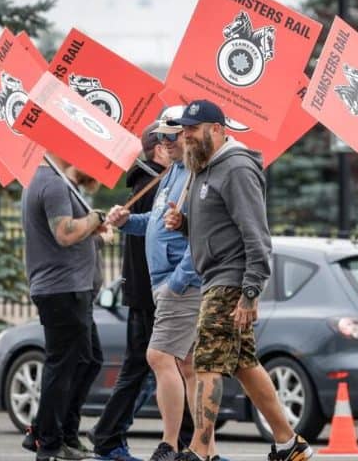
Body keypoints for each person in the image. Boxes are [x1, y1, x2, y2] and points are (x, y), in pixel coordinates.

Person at [163, 99, 312, 461]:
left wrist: (250, 291)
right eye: (182, 131)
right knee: (244, 364)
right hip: (217, 276)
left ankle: (198, 449)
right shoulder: (204, 168)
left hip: (230, 281)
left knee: (208, 362)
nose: (185, 137)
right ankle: (289, 443)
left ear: (216, 129)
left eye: (192, 130)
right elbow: (217, 230)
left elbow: (256, 234)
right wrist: (184, 226)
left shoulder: (237, 169)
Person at [106, 117, 222, 461]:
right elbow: (157, 223)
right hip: (166, 282)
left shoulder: (194, 174)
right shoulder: (172, 173)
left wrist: (178, 279)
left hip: (179, 283)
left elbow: (202, 234)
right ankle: (205, 450)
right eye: (162, 136)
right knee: (188, 365)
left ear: (186, 136)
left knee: (158, 357)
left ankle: (170, 444)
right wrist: (128, 222)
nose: (166, 141)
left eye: (173, 135)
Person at [89, 121, 173, 461]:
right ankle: (108, 435)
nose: (178, 146)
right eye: (171, 142)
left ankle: (108, 433)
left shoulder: (150, 180)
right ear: (159, 149)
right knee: (144, 366)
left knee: (146, 366)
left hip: (142, 289)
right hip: (148, 290)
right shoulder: (153, 184)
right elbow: (153, 237)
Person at [20, 154, 108, 461]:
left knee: (89, 359)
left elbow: (71, 231)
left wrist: (93, 230)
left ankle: (62, 432)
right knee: (64, 364)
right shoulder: (53, 184)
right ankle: (47, 439)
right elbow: (65, 233)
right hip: (61, 290)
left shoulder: (56, 183)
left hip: (73, 290)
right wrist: (94, 219)